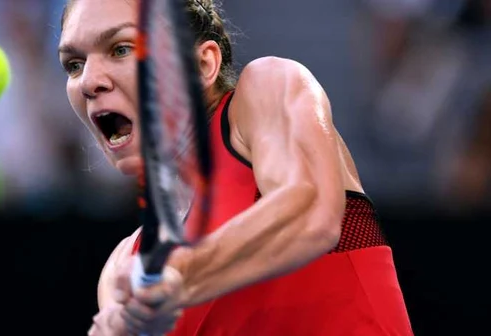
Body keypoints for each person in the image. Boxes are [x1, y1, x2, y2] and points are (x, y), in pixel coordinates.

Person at [57, 0, 414, 335]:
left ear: (202, 65)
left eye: (121, 49)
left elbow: (312, 214)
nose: (88, 82)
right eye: (74, 64)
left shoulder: (267, 88)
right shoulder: (122, 266)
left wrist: (176, 275)